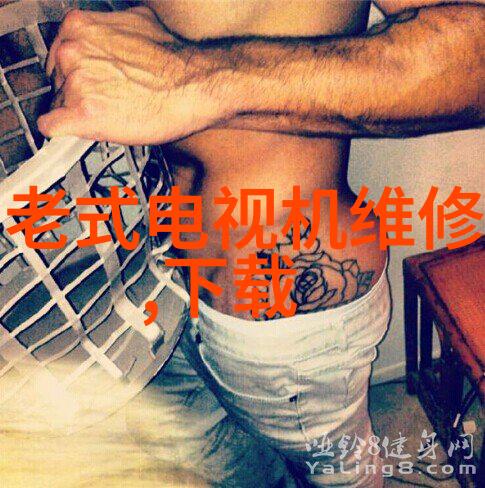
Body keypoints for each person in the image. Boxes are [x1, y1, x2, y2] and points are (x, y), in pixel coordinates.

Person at [38, 1, 484, 486]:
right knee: (211, 448)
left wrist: (193, 76)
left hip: (284, 331)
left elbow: (475, 53)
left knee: (340, 471)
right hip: (160, 274)